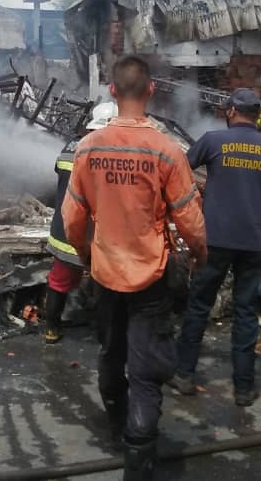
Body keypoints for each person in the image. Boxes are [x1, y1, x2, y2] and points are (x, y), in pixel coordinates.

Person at [62, 55, 206, 480]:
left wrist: (86, 255)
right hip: (151, 278)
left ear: (111, 91)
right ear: (151, 91)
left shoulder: (89, 148)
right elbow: (189, 218)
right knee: (145, 370)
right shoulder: (165, 151)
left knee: (111, 354)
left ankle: (116, 425)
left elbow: (72, 219)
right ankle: (138, 454)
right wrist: (200, 253)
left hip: (105, 273)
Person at [171, 88, 261, 406]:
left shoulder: (212, 141)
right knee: (246, 313)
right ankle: (244, 388)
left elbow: (176, 172)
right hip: (252, 242)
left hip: (215, 241)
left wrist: (200, 190)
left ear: (232, 112)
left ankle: (183, 375)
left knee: (199, 307)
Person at [44, 101, 117, 344]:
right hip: (96, 233)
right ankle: (105, 335)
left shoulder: (70, 147)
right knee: (105, 284)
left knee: (59, 280)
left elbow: (59, 172)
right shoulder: (111, 151)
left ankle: (51, 330)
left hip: (63, 231)